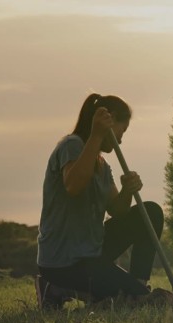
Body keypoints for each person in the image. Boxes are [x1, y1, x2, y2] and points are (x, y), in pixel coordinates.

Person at [35, 93, 164, 309]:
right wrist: (96, 135)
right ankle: (56, 285)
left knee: (149, 212)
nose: (121, 140)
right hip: (64, 262)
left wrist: (127, 191)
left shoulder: (102, 165)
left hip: (91, 253)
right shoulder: (72, 145)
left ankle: (138, 287)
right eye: (122, 131)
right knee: (125, 295)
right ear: (109, 121)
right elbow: (74, 186)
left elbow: (118, 210)